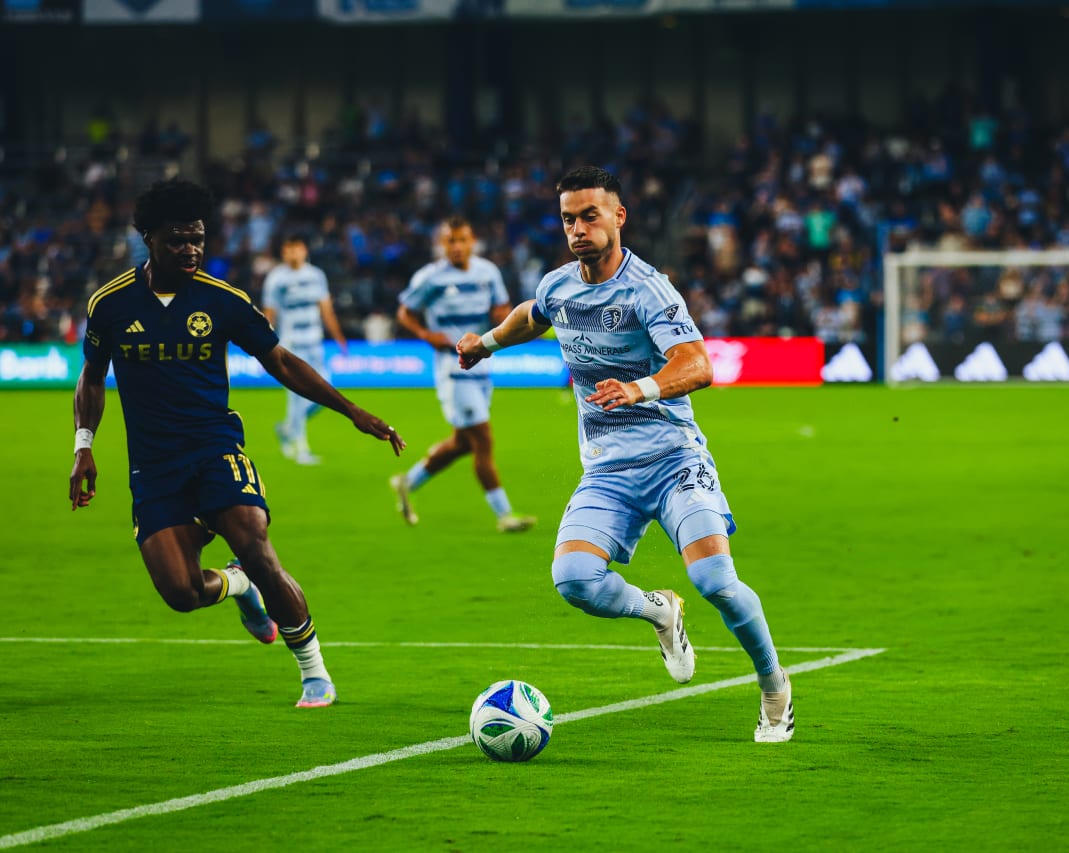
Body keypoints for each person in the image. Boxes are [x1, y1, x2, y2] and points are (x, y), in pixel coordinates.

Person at [457, 167, 793, 743]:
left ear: (618, 217)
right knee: (574, 580)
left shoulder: (648, 289)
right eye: (569, 218)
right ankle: (659, 609)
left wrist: (639, 388)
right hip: (608, 470)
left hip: (673, 461)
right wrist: (484, 344)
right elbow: (531, 315)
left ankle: (773, 687)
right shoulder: (559, 286)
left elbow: (698, 364)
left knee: (715, 580)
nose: (578, 229)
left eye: (590, 216)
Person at [68, 178, 406, 709]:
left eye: (198, 239)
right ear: (148, 239)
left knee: (255, 542)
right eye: (178, 240)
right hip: (154, 468)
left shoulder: (223, 300)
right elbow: (92, 376)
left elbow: (281, 361)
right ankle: (238, 585)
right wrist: (83, 446)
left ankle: (314, 673)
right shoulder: (110, 304)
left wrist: (352, 412)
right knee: (182, 594)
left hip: (215, 448)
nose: (191, 250)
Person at [390, 216, 535, 533]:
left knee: (462, 443)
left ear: (472, 242)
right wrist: (427, 335)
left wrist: (501, 317)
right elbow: (404, 311)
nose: (456, 247)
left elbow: (502, 307)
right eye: (450, 241)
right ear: (441, 245)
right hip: (452, 368)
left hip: (482, 363)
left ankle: (407, 482)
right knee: (482, 439)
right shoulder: (430, 278)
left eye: (462, 240)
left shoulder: (488, 272)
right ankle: (505, 515)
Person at [262, 233, 349, 465]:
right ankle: (301, 448)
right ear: (283, 253)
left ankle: (286, 429)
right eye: (288, 249)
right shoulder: (276, 279)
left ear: (304, 250)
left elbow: (326, 309)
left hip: (315, 343)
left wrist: (339, 337)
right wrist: (263, 345)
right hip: (291, 346)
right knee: (297, 397)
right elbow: (269, 314)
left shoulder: (316, 276)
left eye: (297, 248)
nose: (293, 253)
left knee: (325, 393)